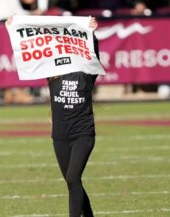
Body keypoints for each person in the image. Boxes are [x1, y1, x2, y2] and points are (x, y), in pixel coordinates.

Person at [6, 16, 100, 217]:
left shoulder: (86, 74)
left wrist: (91, 33)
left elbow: (94, 54)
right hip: (59, 136)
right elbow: (29, 51)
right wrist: (13, 28)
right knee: (72, 181)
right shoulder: (52, 75)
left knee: (73, 178)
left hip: (83, 134)